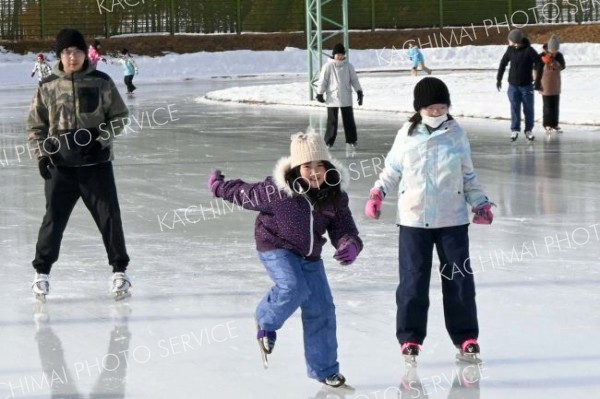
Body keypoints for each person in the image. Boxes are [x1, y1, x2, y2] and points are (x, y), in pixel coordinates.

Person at [207, 132, 363, 389]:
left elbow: (344, 228)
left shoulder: (334, 196)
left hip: (310, 255)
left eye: (320, 166)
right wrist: (219, 187)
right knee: (292, 287)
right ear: (295, 168)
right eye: (307, 166)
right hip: (275, 246)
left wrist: (350, 244)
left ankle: (324, 369)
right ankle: (266, 320)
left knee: (322, 309)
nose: (314, 172)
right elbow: (245, 193)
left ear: (329, 167)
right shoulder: (277, 191)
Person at [364, 77, 493, 366]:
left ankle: (466, 338)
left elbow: (468, 174)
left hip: (452, 220)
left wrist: (480, 202)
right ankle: (410, 338)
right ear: (419, 108)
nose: (436, 113)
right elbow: (391, 169)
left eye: (441, 107)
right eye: (431, 108)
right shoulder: (406, 135)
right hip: (413, 219)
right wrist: (377, 193)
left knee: (459, 279)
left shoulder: (457, 133)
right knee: (413, 280)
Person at [27, 28, 131, 300]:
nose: (72, 57)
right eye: (66, 52)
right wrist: (41, 156)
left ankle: (119, 272)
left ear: (85, 53)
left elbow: (120, 116)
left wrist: (102, 139)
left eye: (76, 51)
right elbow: (35, 126)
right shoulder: (47, 85)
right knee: (53, 221)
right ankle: (41, 273)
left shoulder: (101, 81)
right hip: (60, 167)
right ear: (59, 56)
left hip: (96, 166)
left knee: (109, 218)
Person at [496, 28, 543, 142]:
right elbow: (503, 63)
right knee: (515, 107)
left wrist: (537, 81)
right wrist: (499, 79)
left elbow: (539, 63)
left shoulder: (529, 50)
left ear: (515, 40)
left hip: (526, 86)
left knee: (528, 109)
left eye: (509, 39)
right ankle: (515, 129)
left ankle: (528, 130)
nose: (508, 41)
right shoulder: (510, 50)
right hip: (513, 86)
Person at [315, 43, 363, 153]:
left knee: (349, 121)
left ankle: (352, 141)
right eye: (337, 54)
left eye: (341, 54)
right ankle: (328, 142)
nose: (340, 56)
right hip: (332, 97)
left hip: (346, 97)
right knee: (332, 122)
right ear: (333, 55)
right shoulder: (328, 66)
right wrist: (320, 93)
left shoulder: (349, 66)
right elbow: (323, 81)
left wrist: (359, 92)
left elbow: (354, 80)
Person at [538, 34, 566, 133]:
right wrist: (537, 82)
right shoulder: (541, 56)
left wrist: (555, 62)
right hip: (545, 85)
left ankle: (555, 124)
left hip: (556, 84)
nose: (555, 52)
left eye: (556, 50)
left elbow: (563, 66)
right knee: (547, 106)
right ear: (549, 48)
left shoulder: (559, 56)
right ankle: (547, 124)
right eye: (553, 50)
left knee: (555, 105)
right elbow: (536, 69)